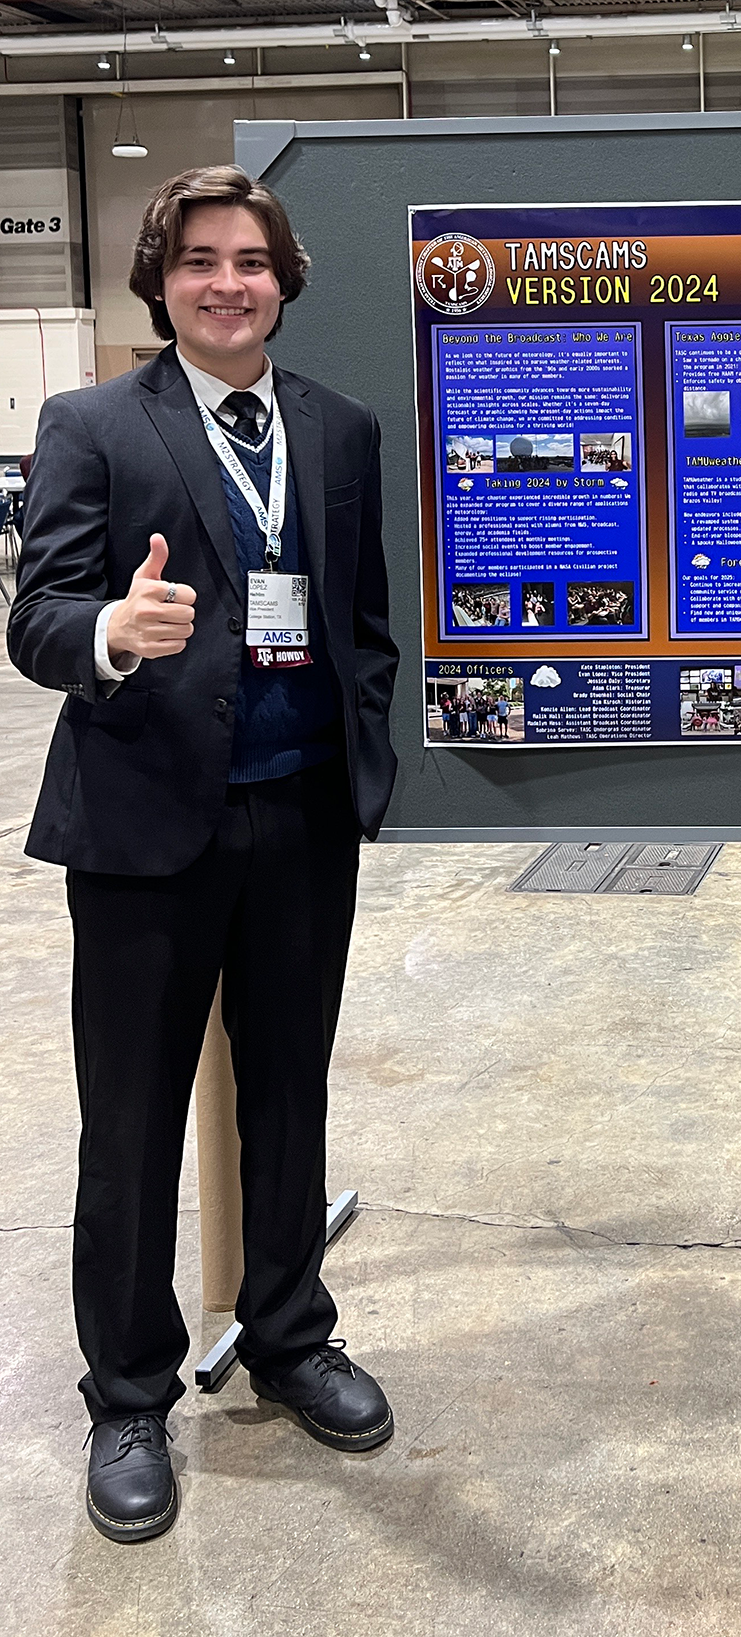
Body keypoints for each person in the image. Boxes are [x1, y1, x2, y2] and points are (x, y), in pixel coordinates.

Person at [7, 165, 399, 1545]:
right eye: (197, 261)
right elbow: (37, 614)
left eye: (249, 258)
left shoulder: (341, 430)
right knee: (129, 1128)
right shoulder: (93, 423)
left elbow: (361, 623)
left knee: (290, 1098)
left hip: (298, 823)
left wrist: (366, 761)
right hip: (143, 834)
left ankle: (289, 1335)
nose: (225, 281)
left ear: (284, 275)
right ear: (159, 282)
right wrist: (111, 632)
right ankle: (127, 1392)